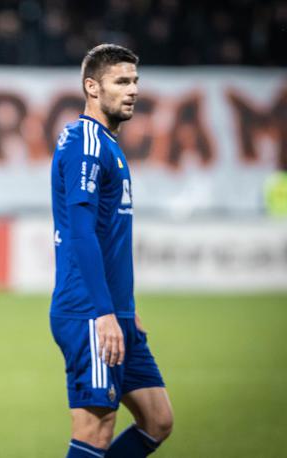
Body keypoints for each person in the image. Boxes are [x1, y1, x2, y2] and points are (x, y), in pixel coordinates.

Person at [49, 44, 173, 458]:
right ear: (92, 87)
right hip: (89, 312)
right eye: (122, 81)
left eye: (135, 81)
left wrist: (123, 307)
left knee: (157, 420)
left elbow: (108, 237)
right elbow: (81, 232)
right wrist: (104, 312)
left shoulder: (107, 143)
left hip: (115, 311)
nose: (133, 90)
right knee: (95, 432)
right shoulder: (84, 142)